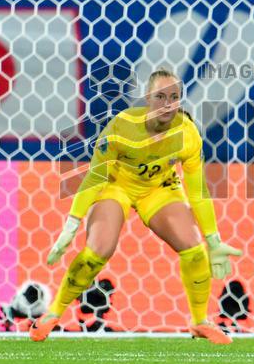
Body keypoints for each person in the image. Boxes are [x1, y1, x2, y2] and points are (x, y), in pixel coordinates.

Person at [30, 69, 242, 344]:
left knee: (195, 250)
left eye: (175, 97)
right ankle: (53, 314)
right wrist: (71, 225)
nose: (168, 104)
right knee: (99, 250)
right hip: (116, 185)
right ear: (147, 98)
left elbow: (198, 192)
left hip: (157, 189)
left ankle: (200, 321)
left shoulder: (188, 134)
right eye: (161, 96)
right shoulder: (122, 127)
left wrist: (214, 240)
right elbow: (95, 176)